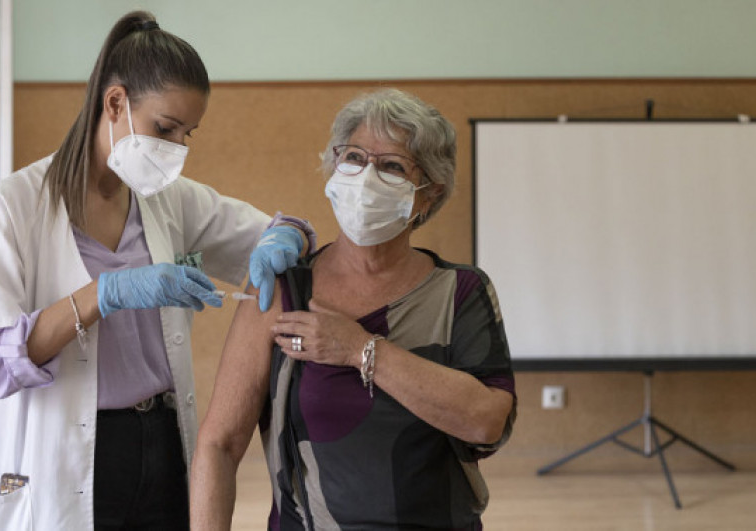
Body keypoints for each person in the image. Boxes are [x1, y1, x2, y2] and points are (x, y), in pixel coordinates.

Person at [0, 11, 314, 530]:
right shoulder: (14, 206)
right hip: (65, 454)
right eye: (164, 129)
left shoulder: (169, 200)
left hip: (163, 443)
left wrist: (286, 237)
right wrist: (104, 294)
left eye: (187, 134)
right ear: (116, 102)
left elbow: (284, 231)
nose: (176, 149)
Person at [190, 88, 517, 529]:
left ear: (427, 195)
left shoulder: (459, 292)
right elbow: (219, 445)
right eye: (354, 157)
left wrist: (362, 349)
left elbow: (486, 422)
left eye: (392, 166)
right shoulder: (285, 287)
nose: (366, 177)